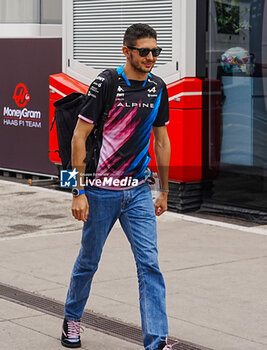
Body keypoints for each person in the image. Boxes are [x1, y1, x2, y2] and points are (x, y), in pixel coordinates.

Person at [61, 23, 171, 350]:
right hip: (99, 191)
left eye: (156, 51)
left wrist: (163, 189)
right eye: (144, 51)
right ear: (127, 51)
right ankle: (72, 318)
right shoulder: (107, 84)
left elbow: (162, 140)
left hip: (138, 191)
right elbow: (78, 138)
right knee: (89, 261)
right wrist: (78, 192)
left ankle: (156, 340)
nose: (151, 57)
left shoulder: (157, 88)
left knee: (149, 264)